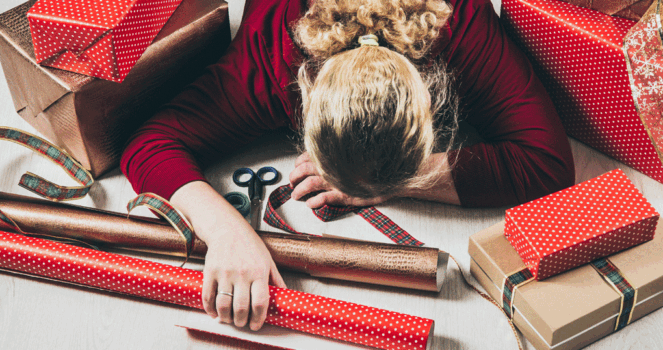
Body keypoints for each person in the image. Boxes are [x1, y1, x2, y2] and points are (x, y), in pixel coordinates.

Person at [121, 0, 574, 333]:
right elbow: (150, 144)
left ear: (431, 91)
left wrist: (399, 182)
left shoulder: (459, 23)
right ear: (302, 95)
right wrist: (227, 233)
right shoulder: (270, 59)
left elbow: (546, 163)